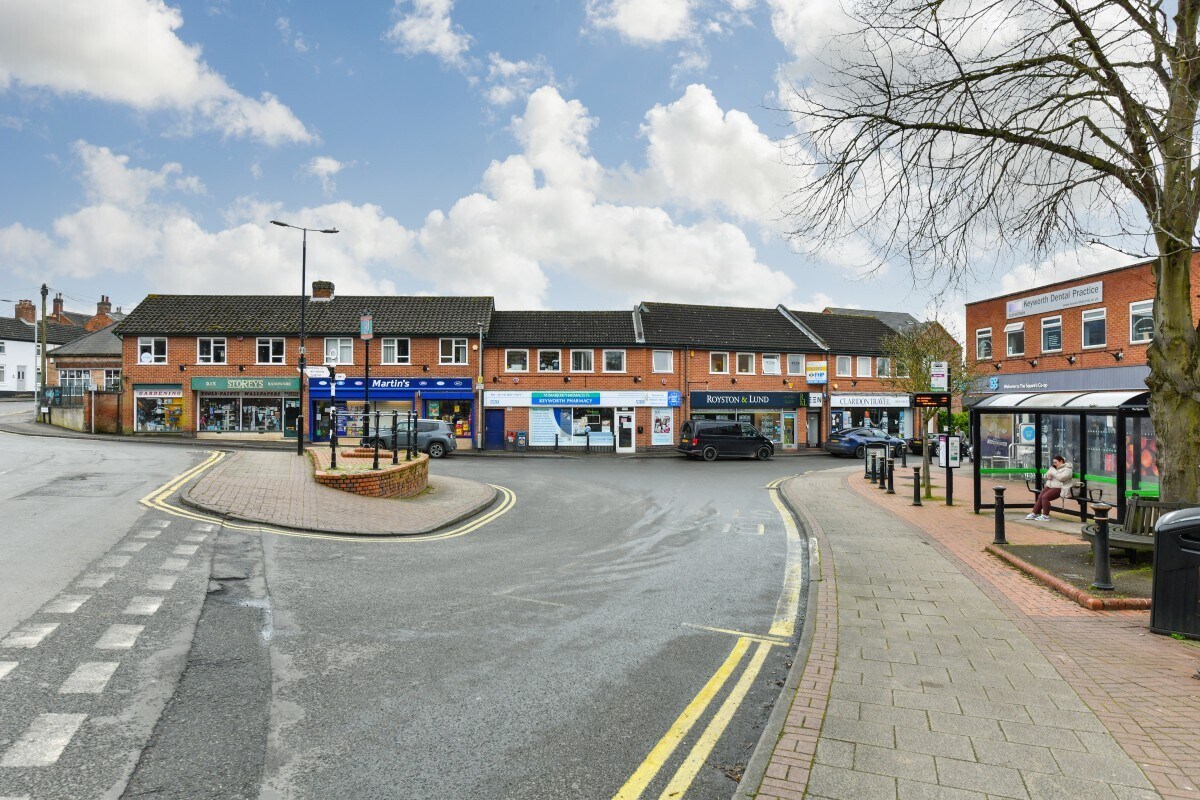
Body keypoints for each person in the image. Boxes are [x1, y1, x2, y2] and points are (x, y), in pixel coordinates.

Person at [1027, 455, 1073, 520]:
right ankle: (1034, 513)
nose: (1054, 464)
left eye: (1056, 462)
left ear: (1061, 461)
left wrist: (1053, 471)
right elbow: (1046, 474)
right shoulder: (1053, 468)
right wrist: (1047, 476)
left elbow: (1061, 478)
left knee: (1045, 497)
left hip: (1059, 487)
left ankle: (1045, 516)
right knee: (1040, 497)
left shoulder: (1067, 469)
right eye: (1053, 462)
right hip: (1049, 486)